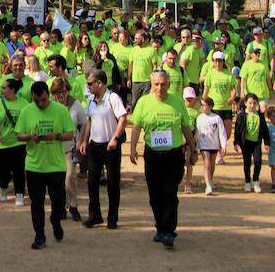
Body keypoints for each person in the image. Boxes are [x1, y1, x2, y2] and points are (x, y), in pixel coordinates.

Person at [128, 70, 193, 249]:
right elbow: (136, 128)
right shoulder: (143, 103)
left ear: (169, 85)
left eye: (163, 84)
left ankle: (169, 231)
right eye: (156, 84)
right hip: (153, 155)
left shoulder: (178, 102)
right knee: (155, 195)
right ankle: (160, 227)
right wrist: (132, 149)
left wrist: (193, 149)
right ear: (151, 85)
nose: (160, 88)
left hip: (173, 155)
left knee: (169, 193)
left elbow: (186, 128)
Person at [16, 81, 74, 249]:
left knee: (58, 200)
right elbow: (19, 135)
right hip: (34, 166)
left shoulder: (61, 110)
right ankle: (39, 235)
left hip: (56, 165)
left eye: (43, 100)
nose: (40, 104)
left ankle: (55, 220)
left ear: (48, 95)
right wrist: (30, 137)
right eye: (36, 101)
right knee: (37, 203)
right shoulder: (27, 111)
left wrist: (56, 136)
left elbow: (70, 134)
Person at [78, 69, 125, 228]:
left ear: (99, 83)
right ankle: (95, 215)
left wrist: (115, 138)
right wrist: (84, 140)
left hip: (110, 146)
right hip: (95, 145)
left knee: (112, 183)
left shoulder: (113, 98)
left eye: (90, 83)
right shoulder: (91, 100)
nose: (88, 86)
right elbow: (89, 120)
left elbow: (123, 119)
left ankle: (112, 218)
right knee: (92, 182)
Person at [0, 77, 28, 208]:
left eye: (4, 88)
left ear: (12, 90)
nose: (2, 90)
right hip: (1, 144)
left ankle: (19, 194)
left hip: (19, 143)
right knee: (3, 170)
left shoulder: (24, 104)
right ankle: (3, 188)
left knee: (19, 170)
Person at [51, 78, 84, 221]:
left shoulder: (75, 105)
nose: (61, 95)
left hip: (69, 148)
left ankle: (74, 205)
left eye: (63, 91)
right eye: (58, 93)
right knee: (57, 180)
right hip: (53, 149)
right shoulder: (50, 106)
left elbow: (84, 124)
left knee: (70, 177)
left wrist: (81, 141)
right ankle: (62, 207)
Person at [233, 94, 268, 193]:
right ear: (245, 103)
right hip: (246, 143)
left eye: (254, 103)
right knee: (247, 163)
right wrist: (236, 143)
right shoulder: (241, 116)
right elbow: (237, 130)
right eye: (250, 103)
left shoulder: (260, 116)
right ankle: (247, 181)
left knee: (258, 162)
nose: (252, 105)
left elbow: (265, 130)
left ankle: (256, 180)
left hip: (256, 142)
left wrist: (266, 142)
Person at [193, 97, 228, 195]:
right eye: (202, 105)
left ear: (211, 106)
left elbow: (222, 132)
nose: (203, 107)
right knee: (207, 164)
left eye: (205, 105)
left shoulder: (217, 118)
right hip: (204, 145)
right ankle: (208, 185)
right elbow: (197, 132)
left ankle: (210, 179)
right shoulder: (199, 118)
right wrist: (195, 147)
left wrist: (223, 145)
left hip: (214, 145)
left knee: (212, 164)